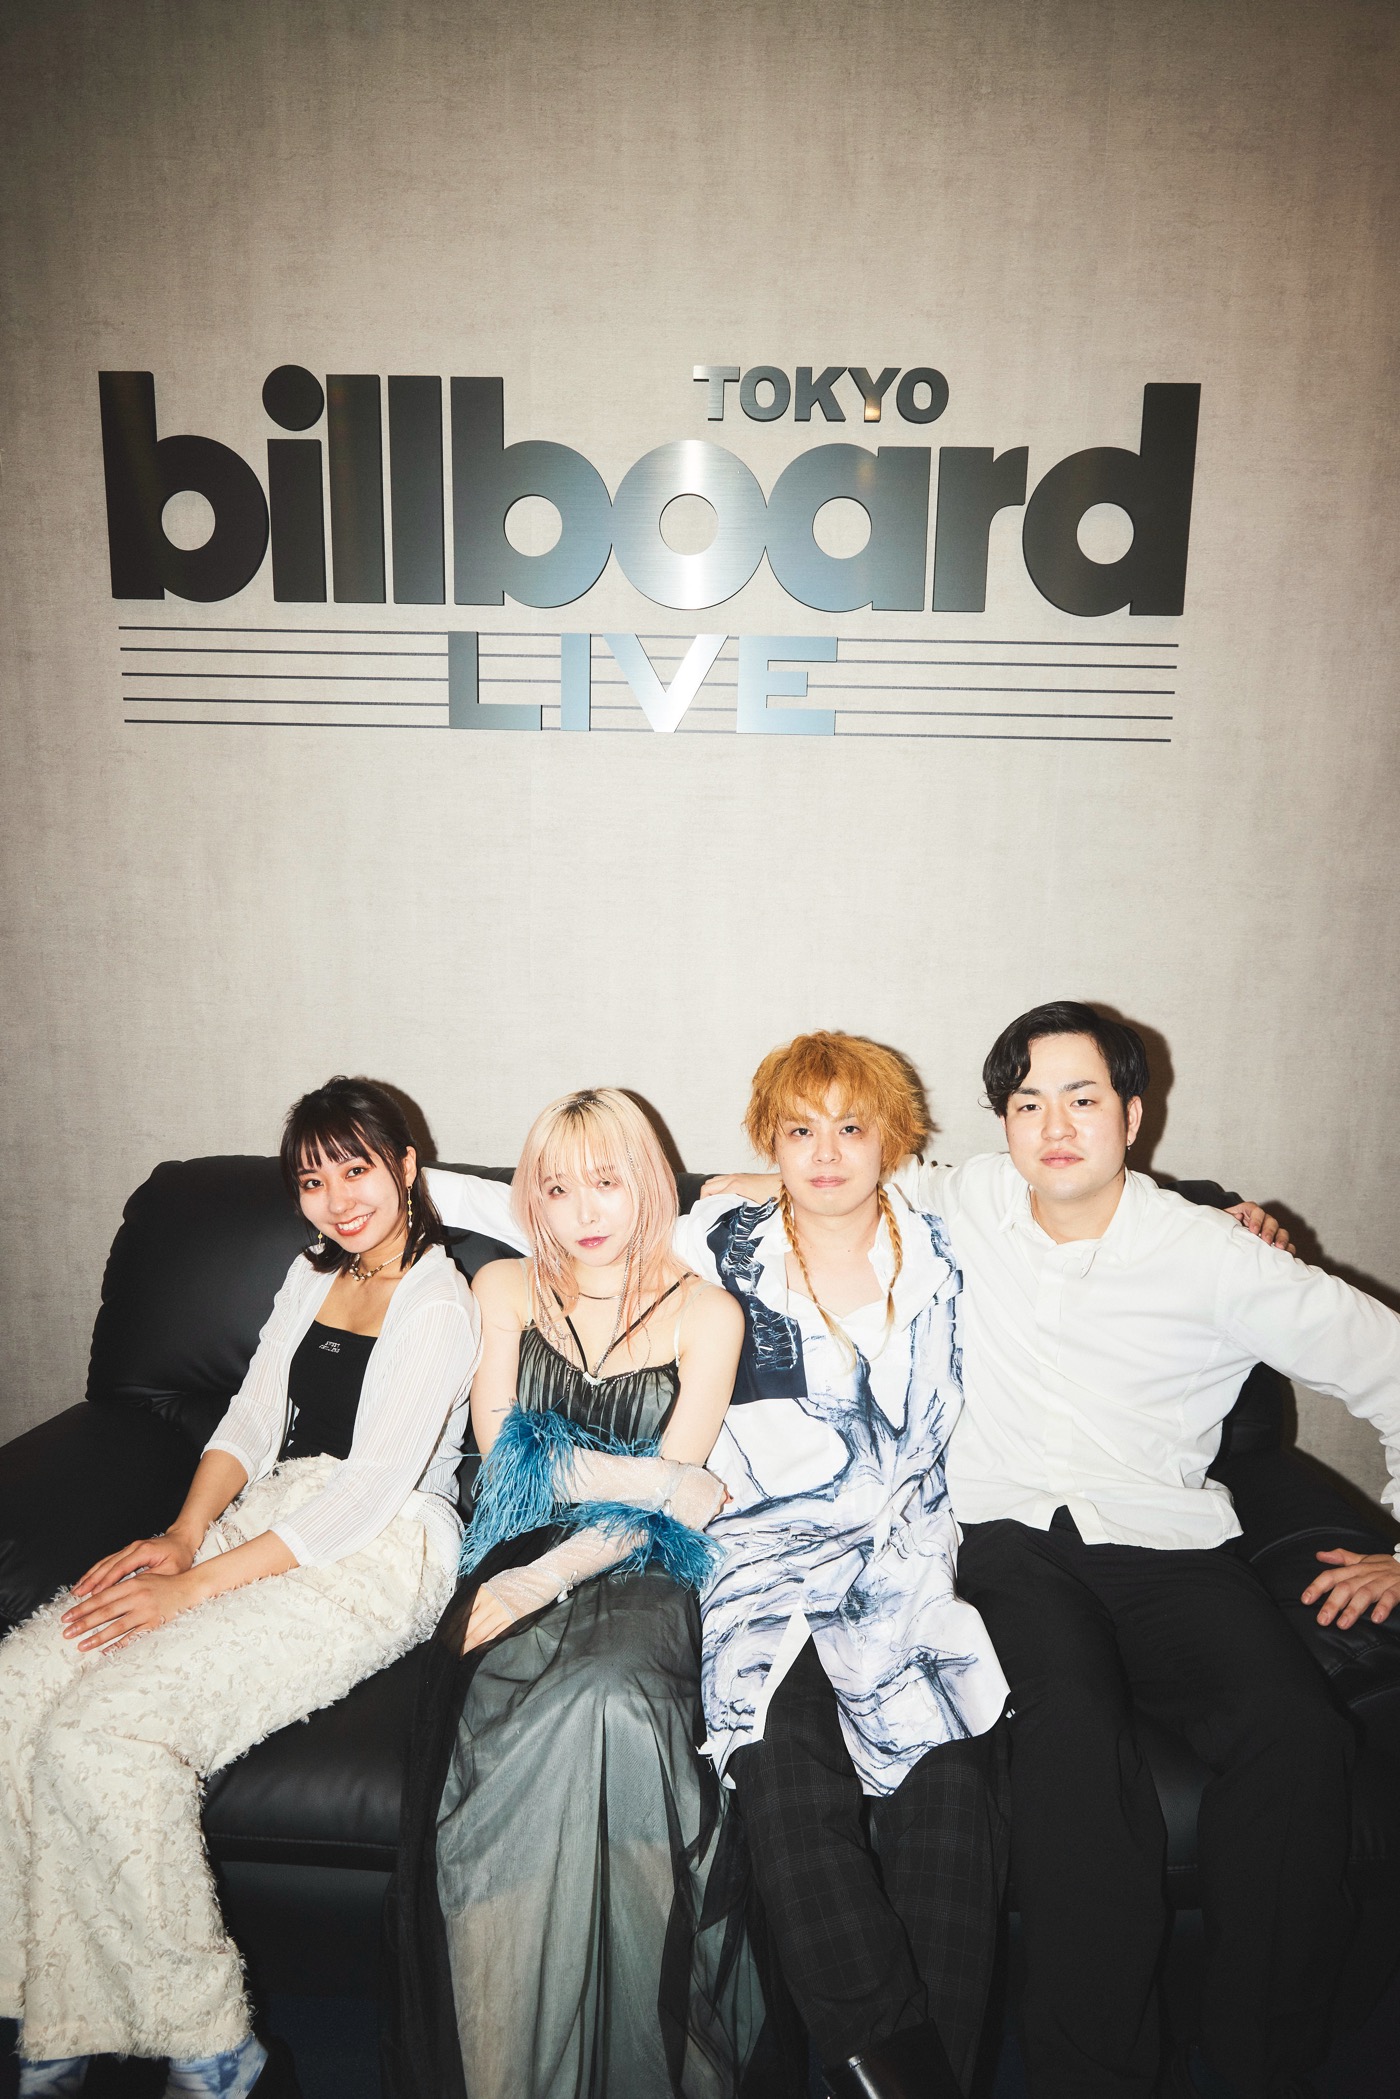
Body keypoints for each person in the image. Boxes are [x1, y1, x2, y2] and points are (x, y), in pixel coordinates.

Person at [426, 1039, 1013, 2099]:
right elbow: (542, 1205)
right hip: (757, 1561)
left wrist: (1236, 1217)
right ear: (768, 1141)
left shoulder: (948, 1242)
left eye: (850, 1128)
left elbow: (1057, 1204)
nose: (825, 1153)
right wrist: (383, 1174)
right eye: (799, 1131)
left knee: (952, 1781)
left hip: (894, 1565)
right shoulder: (718, 1239)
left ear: (892, 1138)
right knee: (783, 1769)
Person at [895, 1003, 1400, 2099]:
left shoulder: (1213, 1253)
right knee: (1072, 1732)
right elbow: (815, 1180)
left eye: (1081, 1098)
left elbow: (1388, 1361)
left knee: (1296, 1732)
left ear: (1131, 1114)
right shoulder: (966, 1198)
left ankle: (1262, 2060)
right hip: (1002, 1538)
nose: (1053, 1126)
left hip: (1164, 1540)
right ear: (1001, 1122)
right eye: (1026, 1103)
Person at [0, 1077, 480, 2099]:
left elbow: (366, 1493)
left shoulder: (442, 1300)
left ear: (406, 1167)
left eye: (356, 1168)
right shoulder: (311, 1273)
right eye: (312, 1179)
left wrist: (196, 1588)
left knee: (105, 1732)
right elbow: (252, 1419)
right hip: (262, 1516)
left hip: (382, 1547)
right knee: (18, 1684)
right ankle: (46, 2002)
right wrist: (181, 1536)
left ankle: (213, 2045)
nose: (336, 1198)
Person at [388, 1087, 760, 2099]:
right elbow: (508, 1459)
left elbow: (673, 1497)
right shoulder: (504, 1285)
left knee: (612, 1704)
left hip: (637, 1563)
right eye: (556, 1187)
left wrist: (551, 1573)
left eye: (605, 1180)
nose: (583, 1209)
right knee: (498, 1741)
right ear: (531, 1197)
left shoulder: (708, 1311)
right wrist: (655, 1479)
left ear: (649, 1183)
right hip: (509, 1540)